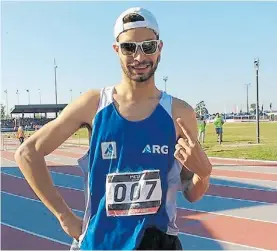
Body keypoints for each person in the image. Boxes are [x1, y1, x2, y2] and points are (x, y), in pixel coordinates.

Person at [15, 7, 212, 250]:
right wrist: (65, 218)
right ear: (116, 50)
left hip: (158, 243)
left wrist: (203, 175)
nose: (139, 57)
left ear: (160, 48)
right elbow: (27, 153)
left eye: (148, 46)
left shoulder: (179, 114)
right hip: (100, 243)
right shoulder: (94, 105)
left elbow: (192, 192)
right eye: (129, 48)